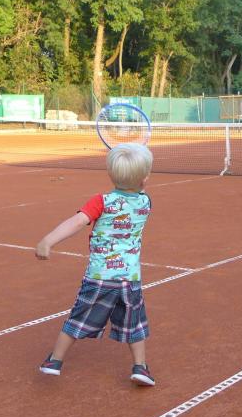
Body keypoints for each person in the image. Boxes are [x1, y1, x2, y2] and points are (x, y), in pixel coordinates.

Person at [36, 143, 156, 386]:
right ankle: (140, 367)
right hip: (130, 279)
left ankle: (54, 361)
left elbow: (77, 222)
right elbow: (135, 192)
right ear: (145, 179)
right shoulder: (146, 202)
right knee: (135, 323)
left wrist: (48, 240)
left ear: (110, 174)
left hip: (100, 276)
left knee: (78, 318)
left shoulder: (101, 201)